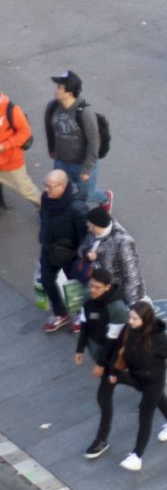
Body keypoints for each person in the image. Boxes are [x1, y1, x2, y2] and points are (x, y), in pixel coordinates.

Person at [89, 295, 167, 470]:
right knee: (158, 399)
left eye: (134, 318)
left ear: (145, 319)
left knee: (145, 413)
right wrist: (113, 372)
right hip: (137, 376)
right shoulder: (128, 330)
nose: (130, 321)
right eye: (130, 317)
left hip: (153, 381)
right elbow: (117, 351)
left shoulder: (158, 338)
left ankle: (137, 456)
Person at [45, 73, 104, 204]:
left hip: (82, 164)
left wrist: (87, 168)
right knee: (63, 193)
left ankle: (105, 198)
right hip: (61, 161)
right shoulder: (53, 106)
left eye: (60, 87)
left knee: (87, 195)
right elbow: (49, 128)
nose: (56, 90)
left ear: (69, 93)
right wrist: (51, 148)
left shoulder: (85, 113)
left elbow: (94, 142)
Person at [37, 171, 85, 331]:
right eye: (46, 186)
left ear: (63, 187)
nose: (47, 190)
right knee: (46, 279)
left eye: (51, 187)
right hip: (49, 248)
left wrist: (78, 256)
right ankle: (60, 314)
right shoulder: (46, 198)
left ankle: (81, 315)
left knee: (74, 285)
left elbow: (85, 236)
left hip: (70, 253)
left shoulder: (77, 208)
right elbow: (43, 218)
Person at [81, 201, 142, 304]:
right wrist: (87, 254)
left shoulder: (123, 242)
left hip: (113, 288)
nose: (89, 229)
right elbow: (83, 247)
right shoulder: (94, 232)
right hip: (96, 280)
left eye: (91, 227)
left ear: (99, 226)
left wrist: (133, 303)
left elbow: (131, 275)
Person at [0, 92, 33, 211]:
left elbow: (25, 133)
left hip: (11, 163)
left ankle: (44, 210)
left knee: (27, 191)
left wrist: (5, 145)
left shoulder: (12, 110)